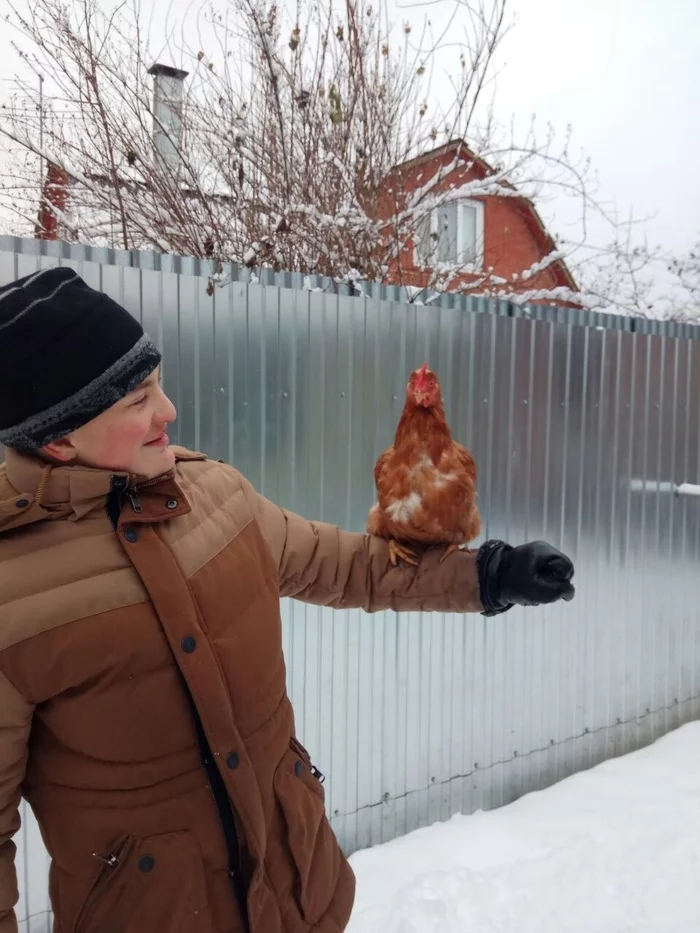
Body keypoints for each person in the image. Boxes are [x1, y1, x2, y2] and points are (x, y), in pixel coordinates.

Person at [0, 267, 575, 933]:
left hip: (297, 893)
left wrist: (488, 574)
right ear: (58, 438)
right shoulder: (12, 587)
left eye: (158, 384)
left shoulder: (214, 496)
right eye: (136, 401)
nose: (168, 411)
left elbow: (347, 565)